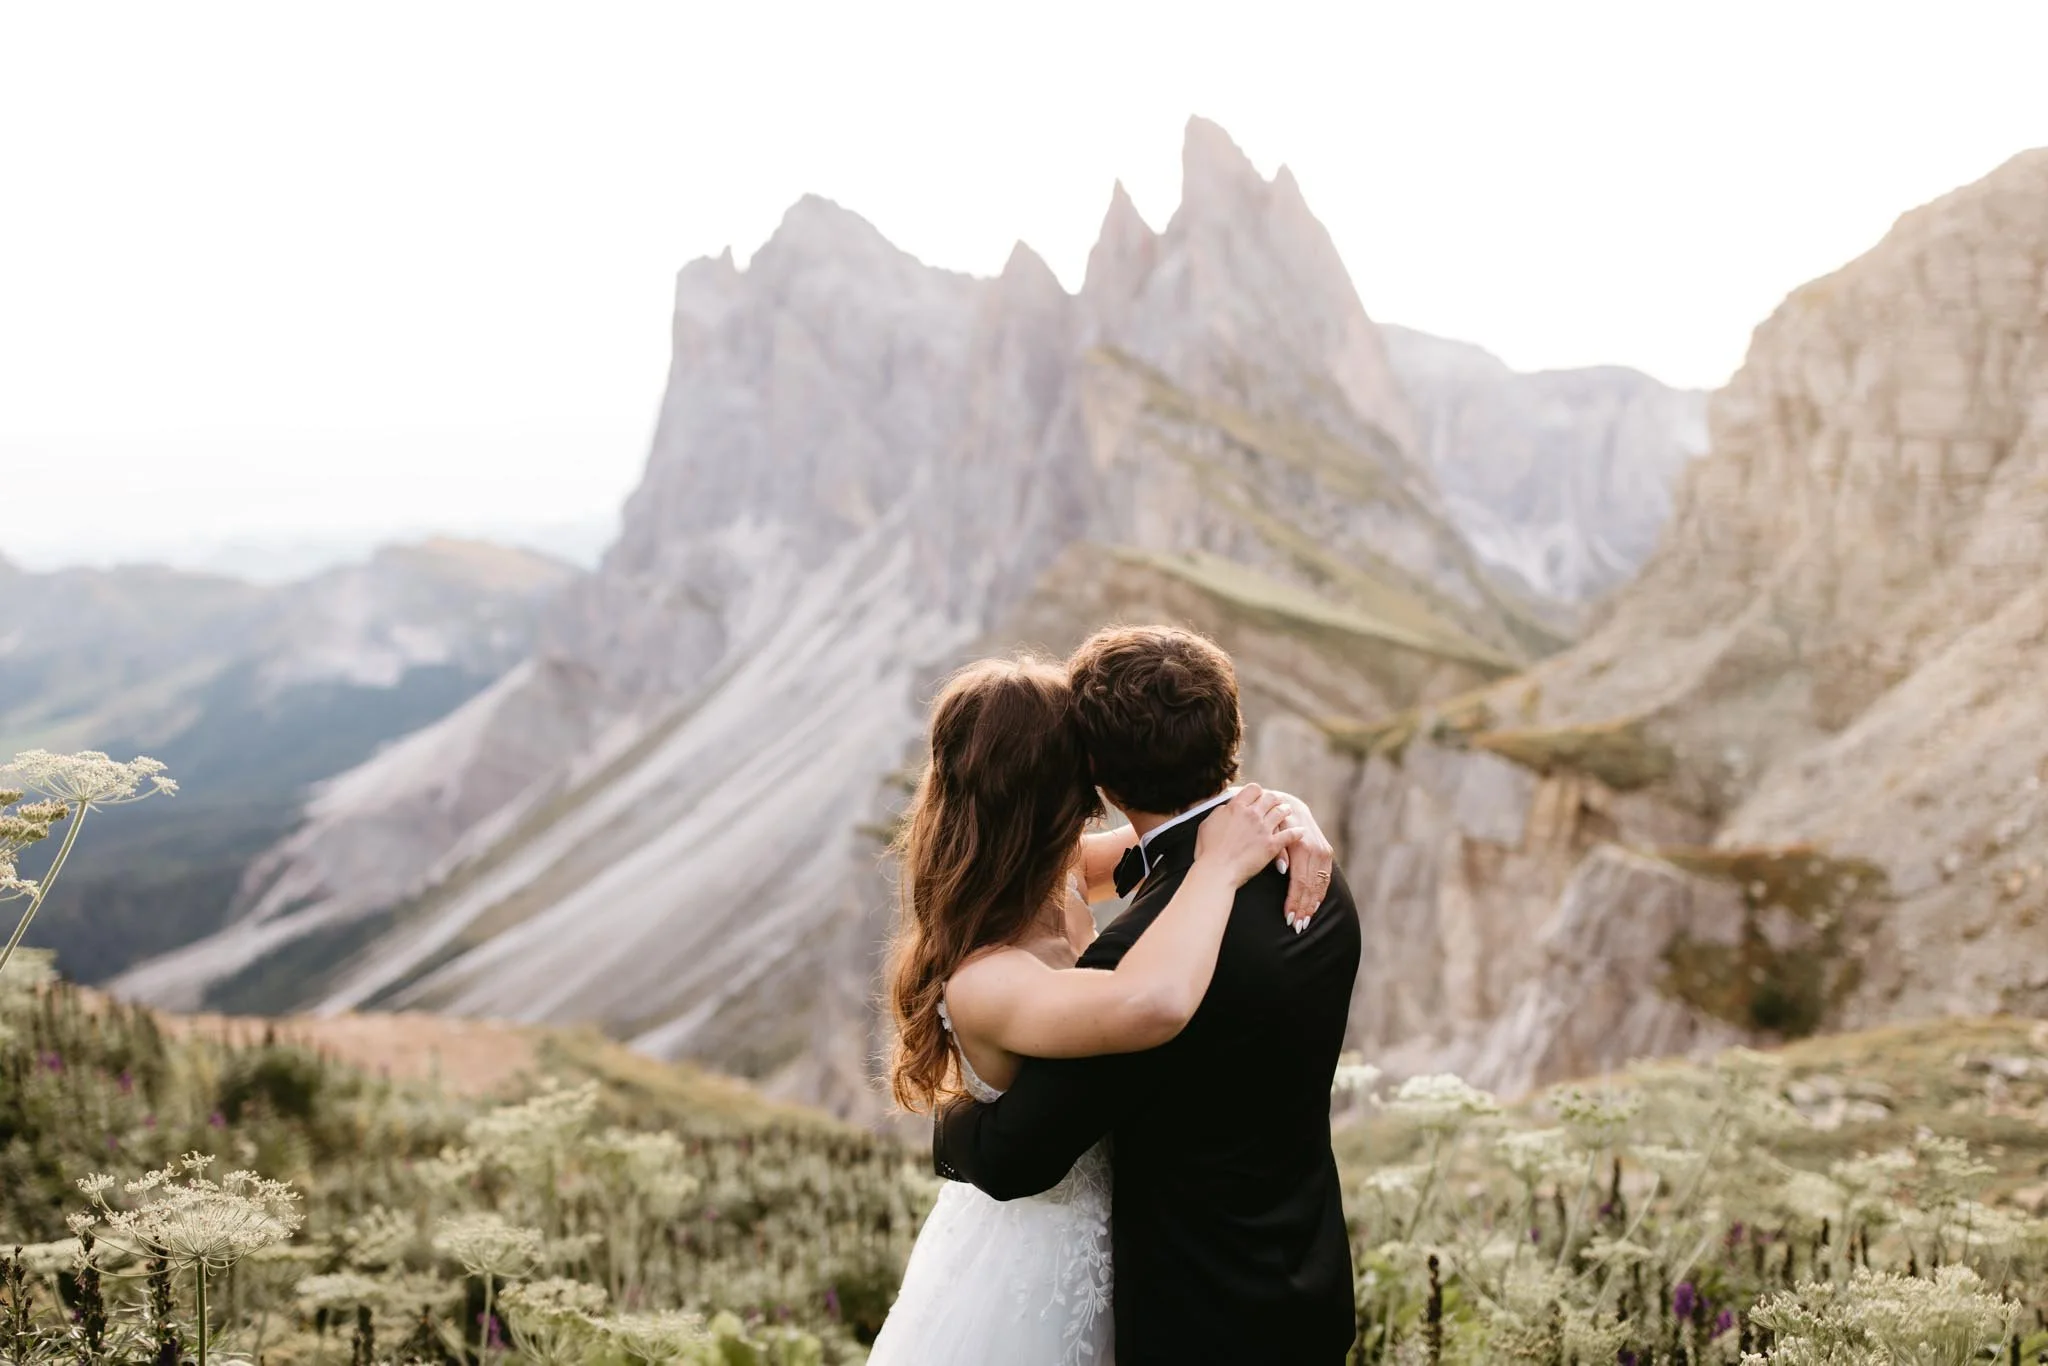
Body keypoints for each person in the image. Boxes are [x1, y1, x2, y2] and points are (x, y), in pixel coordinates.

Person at [868, 649, 1339, 1366]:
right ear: (1072, 781)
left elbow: (1163, 841)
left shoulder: (1053, 875)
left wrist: (1281, 810)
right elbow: (1153, 1000)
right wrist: (1219, 865)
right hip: (1032, 1267)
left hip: (1131, 1265)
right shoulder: (989, 978)